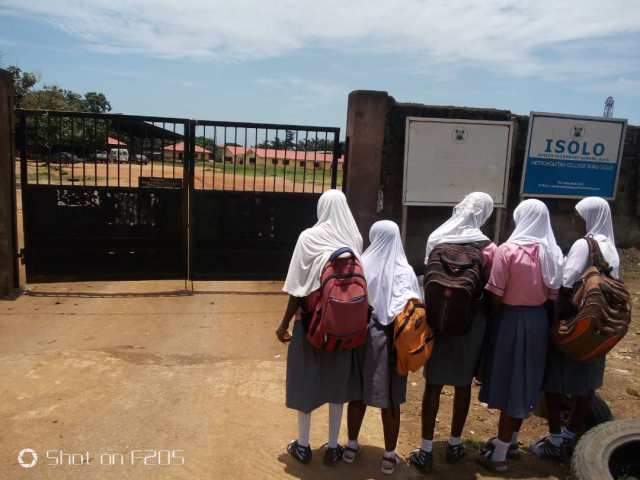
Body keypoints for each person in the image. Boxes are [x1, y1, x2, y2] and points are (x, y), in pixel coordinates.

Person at [409, 192, 496, 474]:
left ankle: (425, 449)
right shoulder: (488, 248)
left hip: (438, 321)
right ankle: (456, 444)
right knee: (462, 385)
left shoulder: (437, 238)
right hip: (471, 324)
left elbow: (427, 282)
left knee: (433, 385)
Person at [275, 189, 364, 466]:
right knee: (337, 385)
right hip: (344, 327)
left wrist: (283, 323)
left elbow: (297, 289)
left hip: (311, 323)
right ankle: (334, 447)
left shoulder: (309, 238)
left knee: (306, 381)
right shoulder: (355, 238)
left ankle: (302, 446)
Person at [477, 199, 564, 474]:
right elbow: (554, 295)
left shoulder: (508, 251)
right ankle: (510, 441)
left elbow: (496, 293)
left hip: (510, 320)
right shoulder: (552, 252)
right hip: (538, 319)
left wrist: (494, 319)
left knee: (509, 384)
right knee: (525, 380)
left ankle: (499, 456)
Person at [531, 197, 620, 460]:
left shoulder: (585, 245)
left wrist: (556, 321)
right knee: (586, 383)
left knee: (555, 381)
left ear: (590, 218)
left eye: (579, 216)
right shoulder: (612, 247)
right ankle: (571, 436)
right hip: (600, 324)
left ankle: (556, 440)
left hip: (576, 322)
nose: (575, 220)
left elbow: (565, 283)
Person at [343, 220, 423, 475]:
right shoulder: (405, 270)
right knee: (391, 399)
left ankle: (351, 447)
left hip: (361, 335)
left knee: (357, 394)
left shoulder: (362, 264)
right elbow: (412, 305)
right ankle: (389, 456)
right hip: (393, 340)